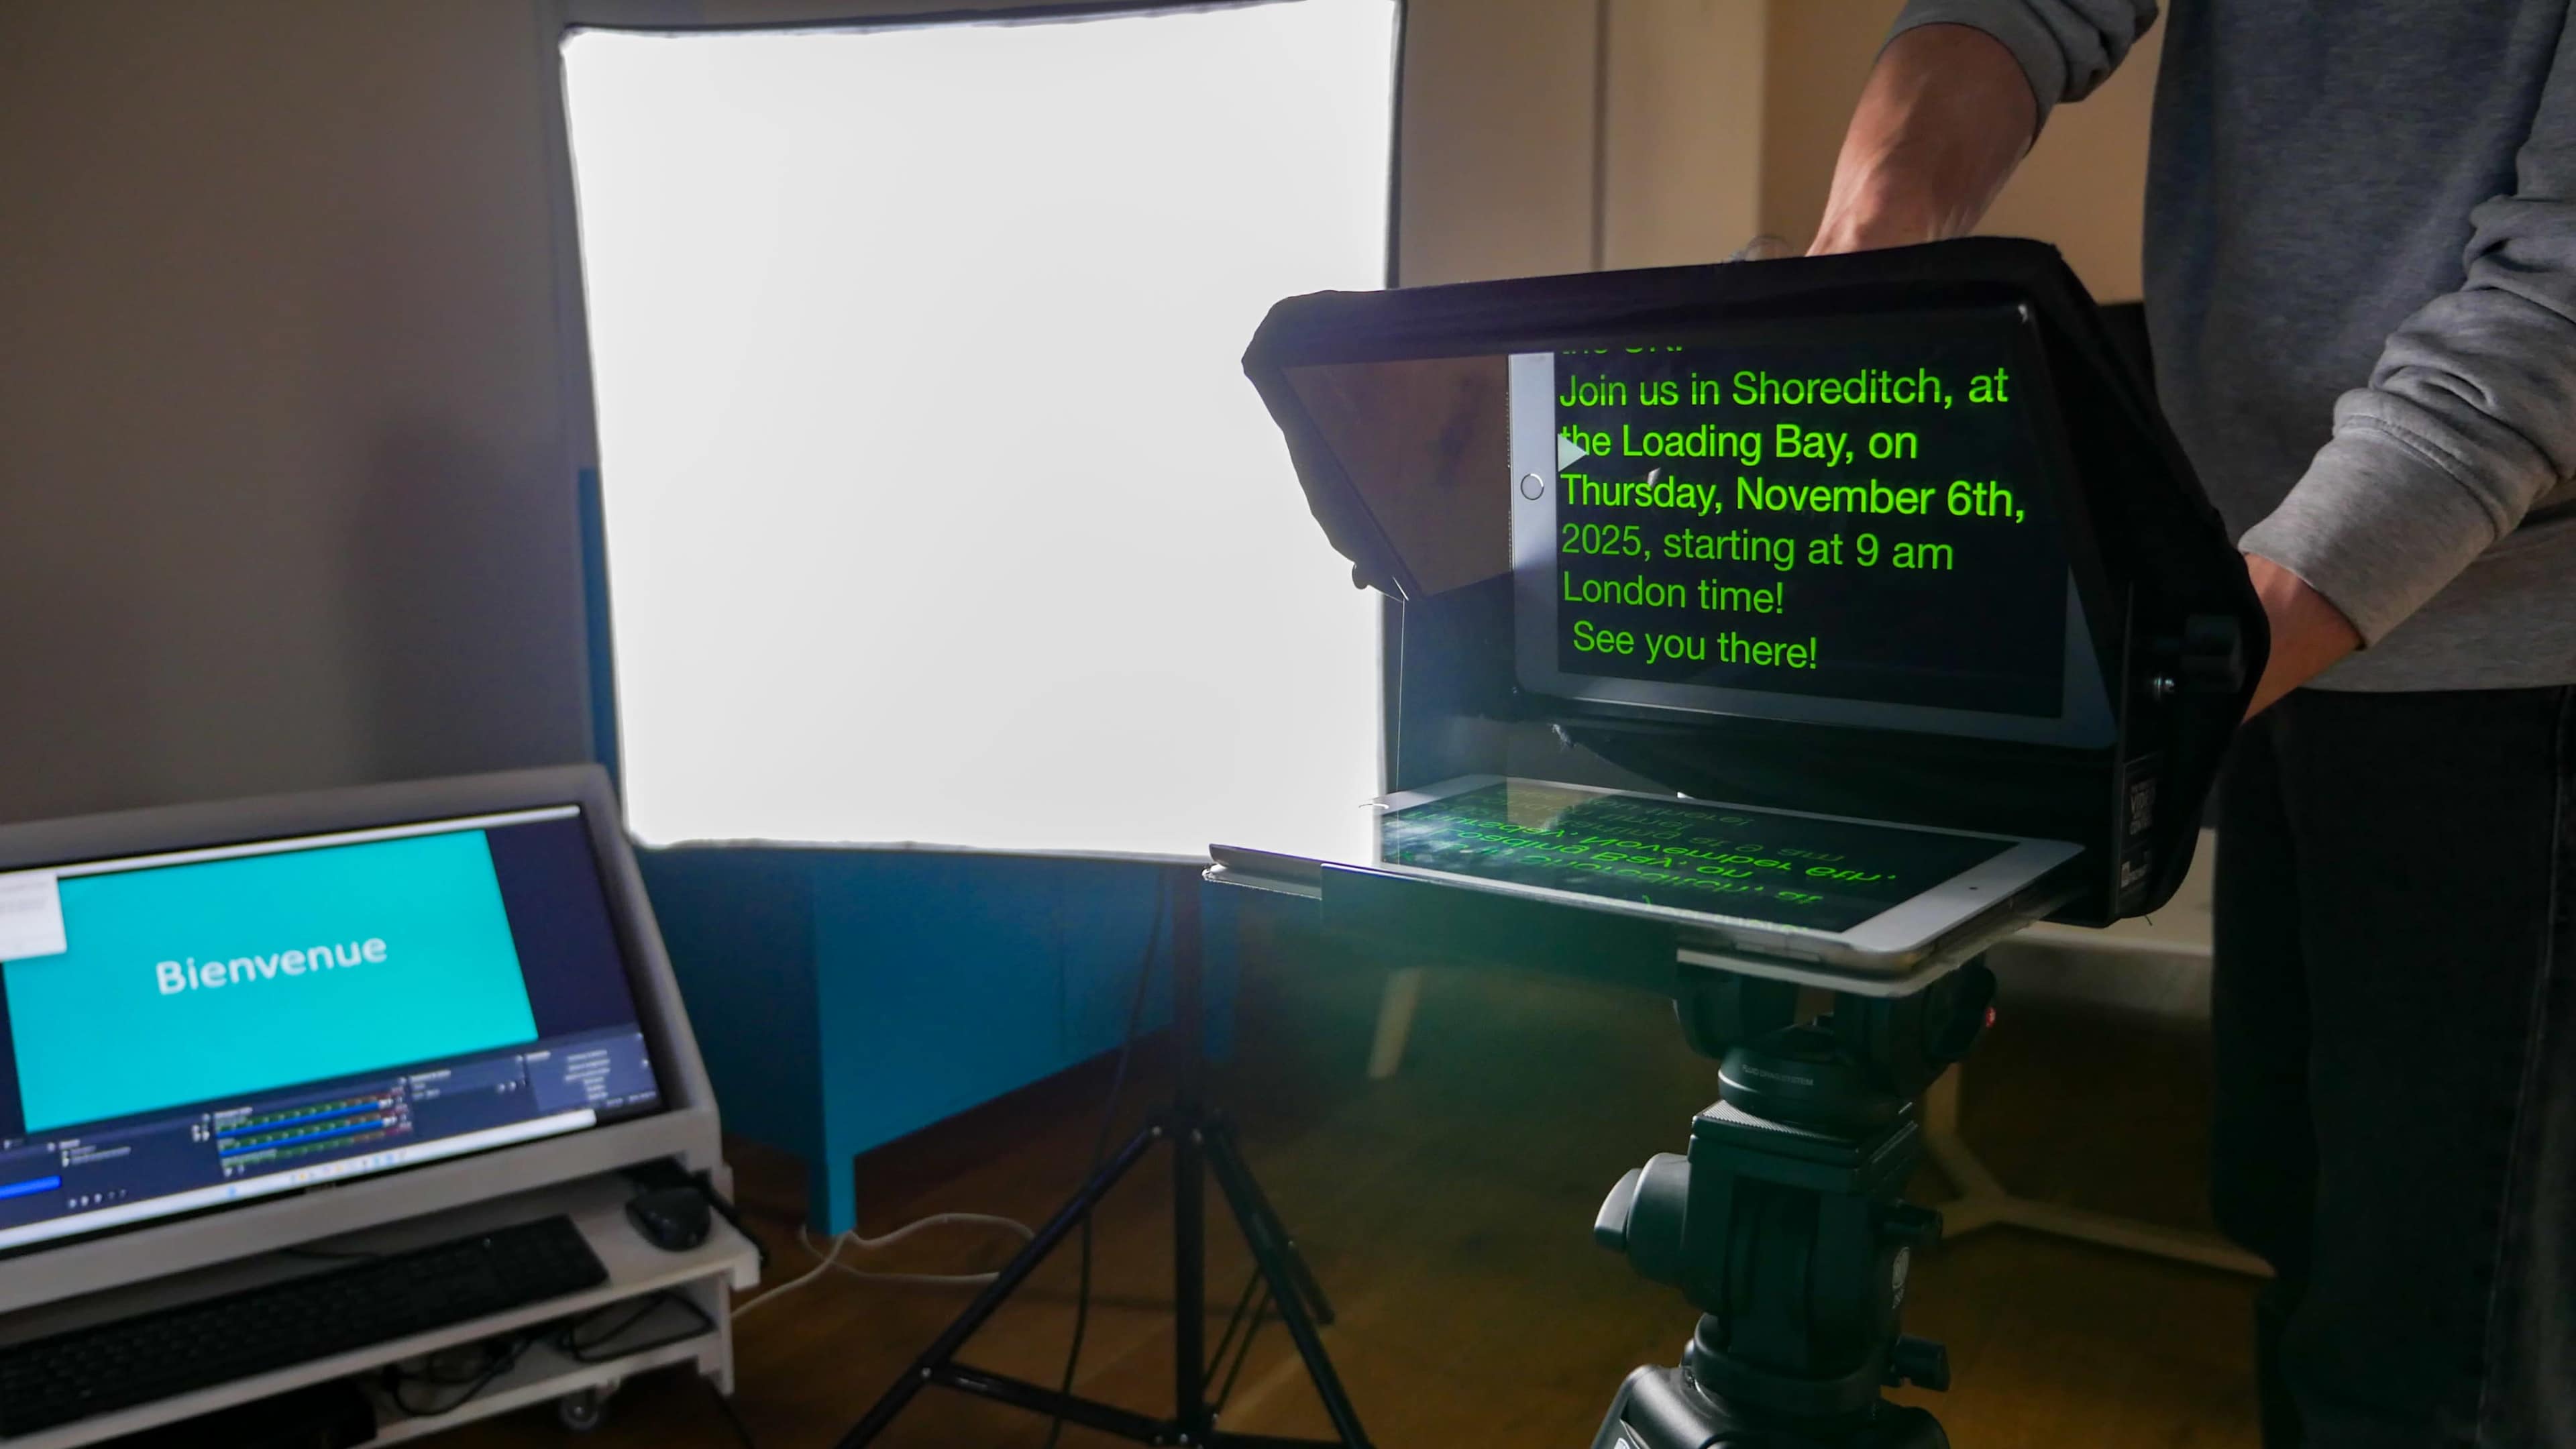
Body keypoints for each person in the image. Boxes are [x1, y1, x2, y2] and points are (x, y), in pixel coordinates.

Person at [1811, 5, 2576, 1445]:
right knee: (2294, 1226)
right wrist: (1871, 235)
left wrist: (2181, 669)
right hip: (2258, 600)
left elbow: (2552, 317)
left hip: (2510, 672)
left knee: (2437, 1339)